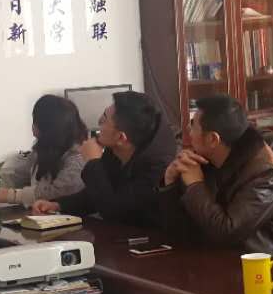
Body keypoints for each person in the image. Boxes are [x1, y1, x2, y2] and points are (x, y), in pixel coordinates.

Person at [156, 95, 273, 263]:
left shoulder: (264, 173)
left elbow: (227, 232)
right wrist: (170, 181)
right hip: (226, 261)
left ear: (213, 139)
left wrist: (195, 185)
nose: (188, 130)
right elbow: (179, 230)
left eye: (193, 125)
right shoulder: (204, 160)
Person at [31, 91, 176, 226]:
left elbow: (114, 211)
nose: (99, 121)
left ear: (121, 137)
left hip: (151, 239)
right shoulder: (116, 150)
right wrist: (58, 205)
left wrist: (93, 162)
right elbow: (96, 194)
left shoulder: (157, 169)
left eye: (105, 119)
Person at [0, 95, 88, 207]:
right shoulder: (45, 149)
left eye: (35, 121)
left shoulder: (78, 157)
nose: (33, 128)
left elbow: (57, 192)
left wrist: (11, 195)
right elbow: (17, 174)